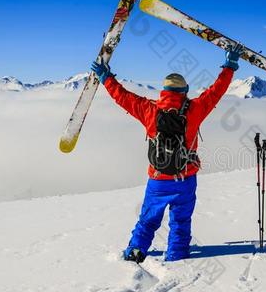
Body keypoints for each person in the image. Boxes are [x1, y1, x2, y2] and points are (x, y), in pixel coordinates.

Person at [91, 44, 244, 263]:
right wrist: (230, 66)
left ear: (164, 91)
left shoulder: (149, 110)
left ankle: (136, 251)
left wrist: (106, 77)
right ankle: (177, 256)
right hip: (185, 178)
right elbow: (215, 92)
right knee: (181, 221)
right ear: (184, 91)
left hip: (157, 179)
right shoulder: (195, 110)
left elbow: (122, 97)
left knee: (148, 219)